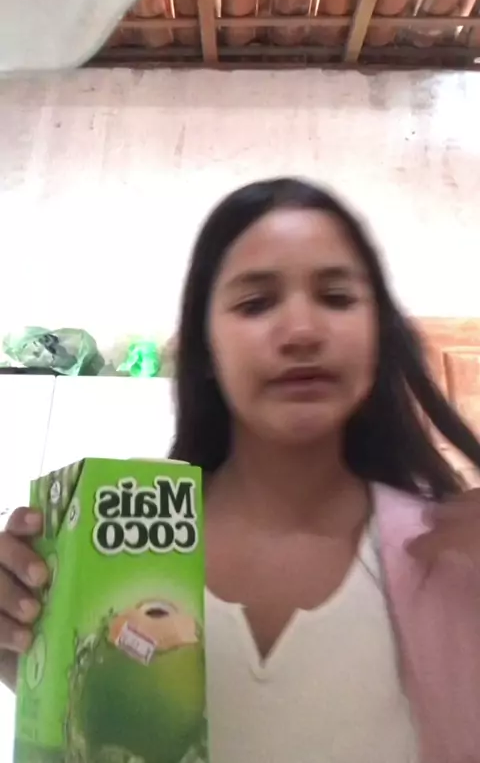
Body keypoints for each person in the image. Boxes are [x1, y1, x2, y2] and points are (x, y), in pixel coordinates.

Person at [1, 177, 480, 763]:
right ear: (206, 348)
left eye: (336, 297)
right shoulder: (111, 551)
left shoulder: (451, 557)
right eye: (255, 304)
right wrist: (35, 664)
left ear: (377, 333)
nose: (302, 331)